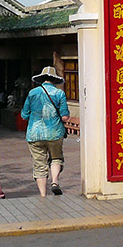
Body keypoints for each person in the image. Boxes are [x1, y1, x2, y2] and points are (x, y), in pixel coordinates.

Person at [21, 66, 70, 197]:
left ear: (42, 79)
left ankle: (43, 195)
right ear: (54, 80)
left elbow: (24, 115)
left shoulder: (32, 93)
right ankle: (54, 182)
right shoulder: (59, 94)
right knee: (56, 158)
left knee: (39, 164)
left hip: (34, 134)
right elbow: (65, 117)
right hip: (54, 133)